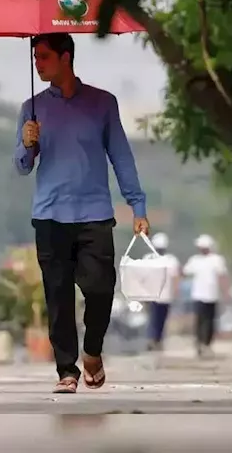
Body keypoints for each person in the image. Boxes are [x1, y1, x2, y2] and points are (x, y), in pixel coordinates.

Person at [15, 33, 148, 394]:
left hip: (94, 215)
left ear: (66, 57)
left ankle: (92, 351)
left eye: (43, 57)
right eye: (35, 57)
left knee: (101, 289)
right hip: (50, 216)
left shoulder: (103, 103)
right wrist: (28, 144)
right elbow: (22, 166)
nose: (37, 64)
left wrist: (137, 204)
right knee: (58, 296)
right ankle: (66, 371)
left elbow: (121, 155)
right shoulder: (32, 108)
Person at [182, 234, 229, 357]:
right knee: (200, 321)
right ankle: (200, 343)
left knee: (210, 322)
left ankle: (206, 344)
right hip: (198, 295)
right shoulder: (195, 260)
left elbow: (222, 277)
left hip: (212, 295)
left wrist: (225, 292)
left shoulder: (217, 260)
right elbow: (185, 272)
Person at [145, 232, 181, 352]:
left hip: (161, 295)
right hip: (157, 295)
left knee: (157, 318)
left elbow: (176, 278)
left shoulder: (169, 260)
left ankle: (156, 340)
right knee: (156, 318)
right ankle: (154, 339)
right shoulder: (168, 260)